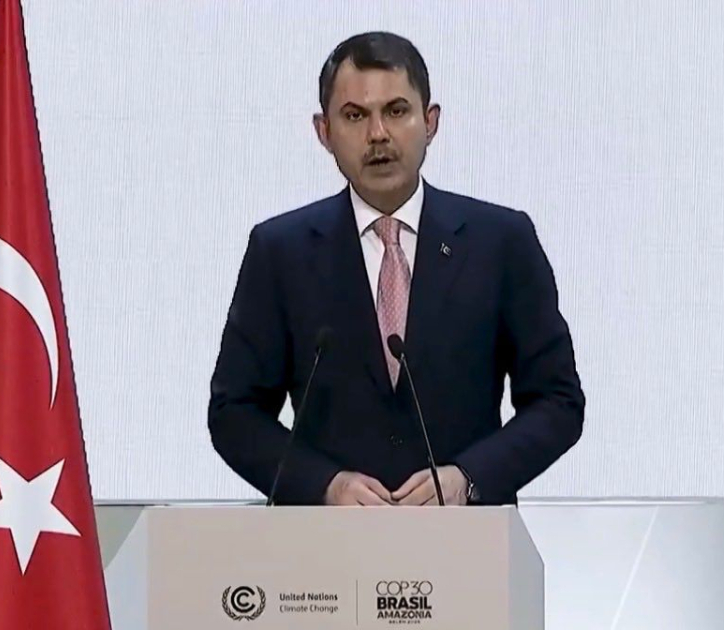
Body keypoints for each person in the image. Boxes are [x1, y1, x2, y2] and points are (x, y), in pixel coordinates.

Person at [208, 31, 584, 507]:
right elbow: (234, 412)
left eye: (396, 111)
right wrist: (324, 485)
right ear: (324, 132)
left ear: (430, 122)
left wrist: (469, 478)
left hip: (467, 536)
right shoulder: (280, 251)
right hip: (327, 542)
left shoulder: (502, 241)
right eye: (354, 115)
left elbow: (557, 401)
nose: (378, 134)